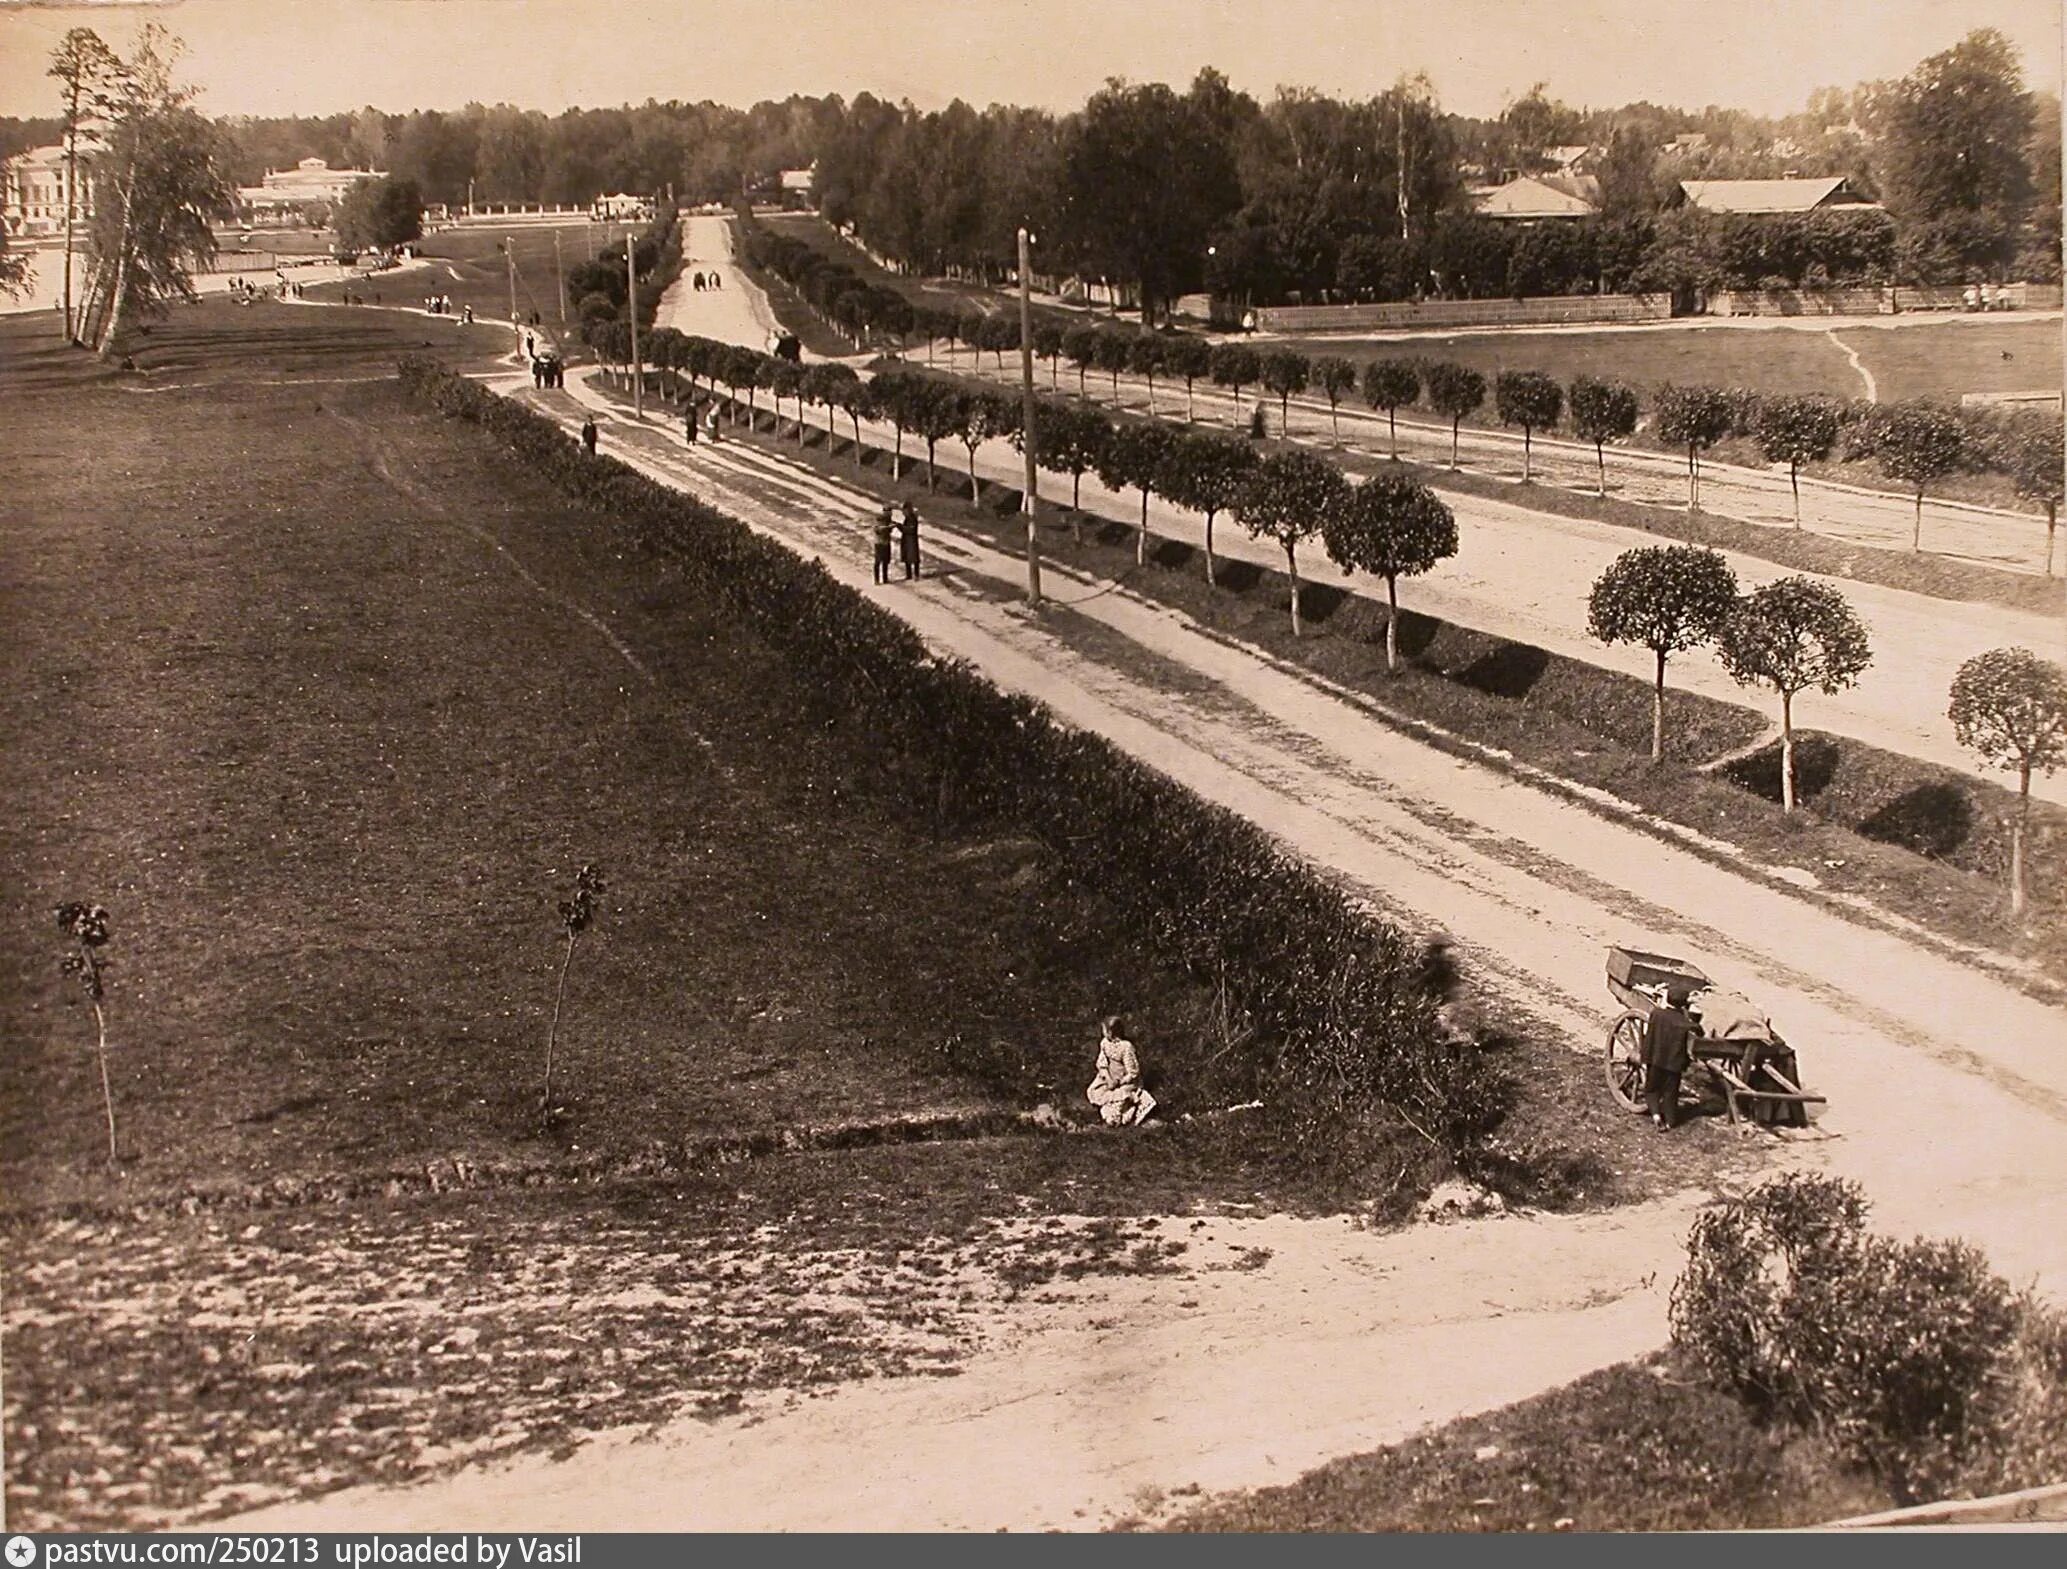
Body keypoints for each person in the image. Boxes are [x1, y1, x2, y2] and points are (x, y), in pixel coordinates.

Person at [1642, 981, 1699, 1131]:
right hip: (1674, 1065)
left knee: (1651, 1089)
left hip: (1655, 1060)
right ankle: (1670, 1121)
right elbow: (1699, 1031)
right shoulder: (1686, 1024)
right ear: (1684, 1004)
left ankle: (1656, 1116)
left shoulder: (1657, 1014)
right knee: (1671, 1093)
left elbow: (1651, 1033)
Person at [1087, 1015, 1156, 1127]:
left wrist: (1120, 1081)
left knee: (1120, 1101)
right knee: (1096, 1092)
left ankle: (1128, 1110)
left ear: (1111, 1032)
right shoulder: (1104, 1043)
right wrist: (1108, 1078)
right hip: (1109, 1078)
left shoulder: (1126, 1047)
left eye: (1104, 1030)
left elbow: (1133, 1072)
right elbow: (1102, 1062)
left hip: (1125, 1081)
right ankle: (1113, 1113)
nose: (1103, 1033)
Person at [898, 500, 921, 580]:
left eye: (904, 511)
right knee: (908, 557)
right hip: (907, 540)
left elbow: (911, 530)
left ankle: (916, 575)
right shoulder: (908, 518)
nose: (903, 513)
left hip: (911, 540)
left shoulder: (912, 519)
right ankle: (909, 575)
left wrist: (901, 527)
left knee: (913, 558)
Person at [872, 504, 895, 584]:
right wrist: (888, 527)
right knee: (878, 562)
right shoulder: (879, 519)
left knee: (886, 561)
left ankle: (885, 579)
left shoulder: (889, 520)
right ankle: (876, 579)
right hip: (879, 543)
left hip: (886, 542)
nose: (889, 514)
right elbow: (877, 530)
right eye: (888, 512)